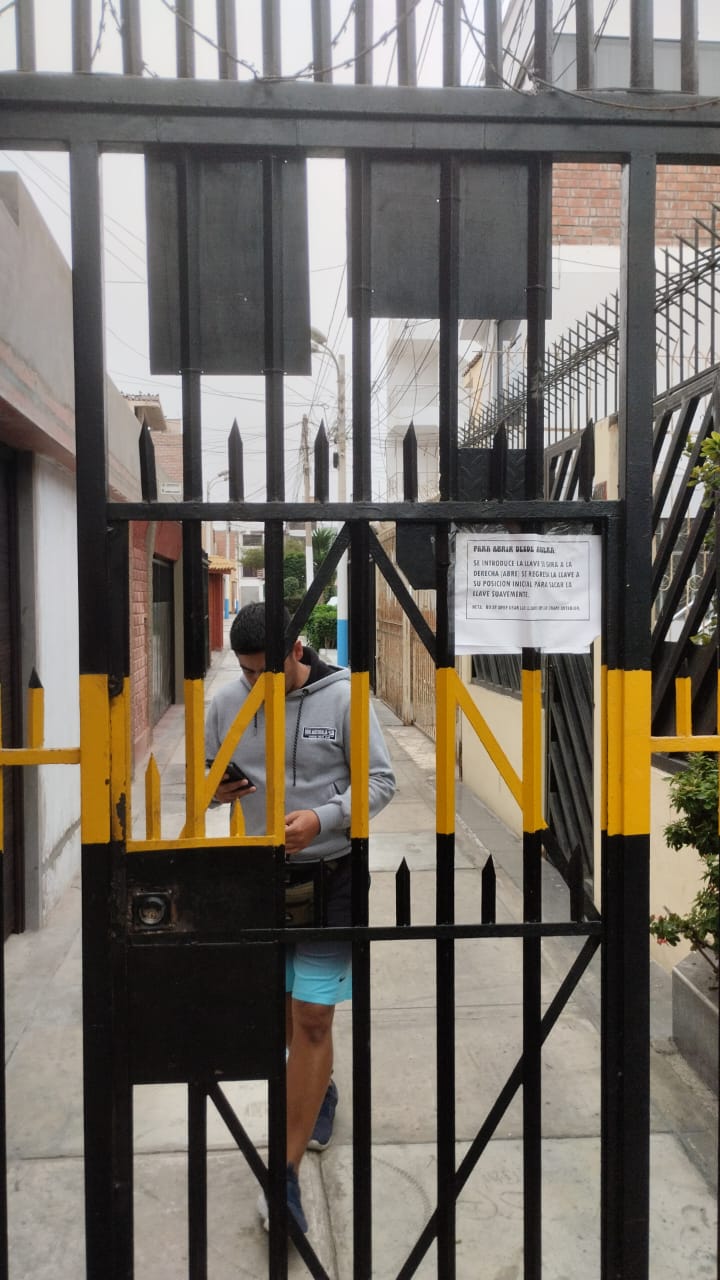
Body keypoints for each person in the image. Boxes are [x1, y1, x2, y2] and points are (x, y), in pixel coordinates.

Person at [205, 601, 396, 1234]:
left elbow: (380, 782)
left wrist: (323, 817)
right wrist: (216, 788)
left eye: (266, 670)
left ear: (297, 650)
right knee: (285, 1010)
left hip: (331, 873)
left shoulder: (345, 698)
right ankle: (322, 1087)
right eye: (245, 671)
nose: (255, 682)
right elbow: (204, 778)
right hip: (257, 879)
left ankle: (281, 1174)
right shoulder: (226, 704)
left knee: (313, 1014)